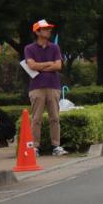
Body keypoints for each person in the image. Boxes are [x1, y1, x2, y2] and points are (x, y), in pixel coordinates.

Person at [24, 20, 66, 157]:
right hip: (36, 87)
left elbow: (58, 66)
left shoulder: (55, 47)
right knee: (36, 119)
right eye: (45, 28)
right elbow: (31, 66)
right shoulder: (29, 48)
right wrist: (49, 63)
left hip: (53, 86)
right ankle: (35, 147)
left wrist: (39, 66)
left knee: (55, 117)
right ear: (37, 32)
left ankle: (56, 146)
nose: (49, 31)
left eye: (49, 28)